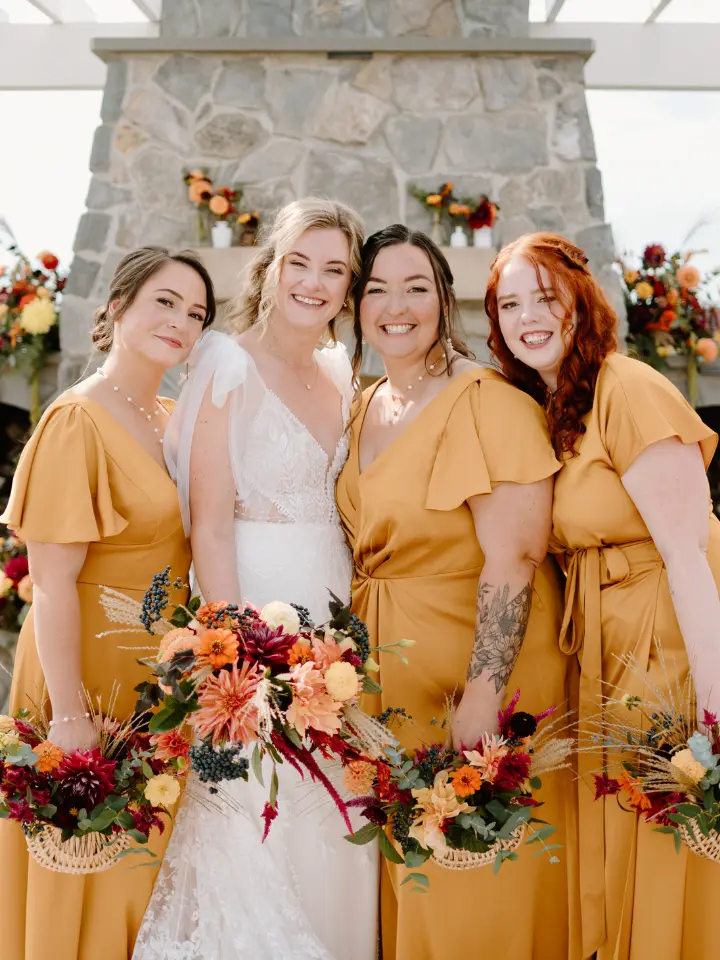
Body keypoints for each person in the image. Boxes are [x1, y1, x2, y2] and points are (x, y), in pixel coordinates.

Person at [134, 198, 379, 960]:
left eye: (334, 269)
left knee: (338, 812)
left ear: (349, 288)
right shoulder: (225, 362)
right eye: (299, 262)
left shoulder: (342, 371)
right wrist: (236, 648)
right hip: (257, 622)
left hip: (336, 622)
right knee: (260, 807)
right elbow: (207, 521)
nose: (314, 282)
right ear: (270, 267)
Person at [336, 224, 579, 960]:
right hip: (395, 681)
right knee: (420, 882)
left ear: (444, 298)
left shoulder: (487, 401)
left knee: (482, 880)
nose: (395, 305)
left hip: (478, 675)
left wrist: (484, 691)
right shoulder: (366, 403)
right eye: (376, 289)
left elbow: (516, 556)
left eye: (415, 287)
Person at [486, 230, 720, 960]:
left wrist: (715, 711)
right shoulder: (555, 405)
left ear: (580, 302)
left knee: (668, 826)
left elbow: (689, 553)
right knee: (622, 830)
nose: (528, 317)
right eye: (509, 304)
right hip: (605, 644)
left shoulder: (630, 389)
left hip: (667, 638)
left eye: (544, 297)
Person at [0, 246, 215, 960]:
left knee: (141, 884)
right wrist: (66, 718)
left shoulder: (170, 414)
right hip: (82, 680)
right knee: (84, 867)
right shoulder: (77, 420)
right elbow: (52, 583)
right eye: (165, 301)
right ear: (118, 305)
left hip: (154, 683)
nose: (181, 321)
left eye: (196, 313)